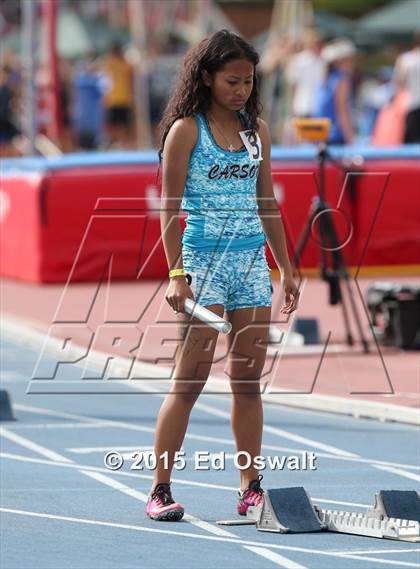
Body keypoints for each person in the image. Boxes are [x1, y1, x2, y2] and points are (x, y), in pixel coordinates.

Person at [146, 29, 300, 522]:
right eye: (232, 81)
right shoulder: (186, 131)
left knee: (248, 381)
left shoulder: (256, 129)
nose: (241, 90)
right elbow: (170, 207)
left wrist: (286, 266)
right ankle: (160, 488)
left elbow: (267, 200)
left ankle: (250, 486)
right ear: (207, 77)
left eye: (249, 82)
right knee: (189, 382)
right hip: (202, 265)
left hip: (250, 266)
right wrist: (175, 273)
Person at [313, 39, 356, 145]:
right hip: (335, 136)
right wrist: (351, 139)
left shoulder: (325, 78)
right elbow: (342, 111)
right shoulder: (342, 79)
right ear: (340, 61)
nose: (353, 62)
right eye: (350, 58)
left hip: (321, 134)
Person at [285, 28, 325, 119]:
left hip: (318, 106)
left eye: (319, 43)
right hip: (303, 106)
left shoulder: (324, 60)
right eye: (315, 43)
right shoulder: (298, 61)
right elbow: (293, 85)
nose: (318, 46)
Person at [102, 42, 134, 148]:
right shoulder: (123, 65)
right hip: (118, 100)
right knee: (119, 125)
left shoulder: (113, 64)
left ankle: (121, 143)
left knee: (119, 125)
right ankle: (120, 143)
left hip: (118, 100)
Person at [393, 34, 420, 143]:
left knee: (410, 142)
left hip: (410, 105)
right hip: (411, 105)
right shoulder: (405, 59)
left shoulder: (405, 59)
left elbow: (399, 83)